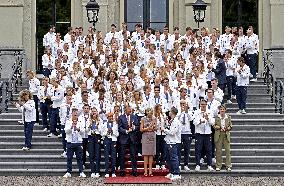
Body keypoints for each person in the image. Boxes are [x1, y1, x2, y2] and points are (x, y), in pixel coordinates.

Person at [63, 108, 86, 178]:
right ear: (72, 114)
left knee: (79, 158)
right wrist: (71, 127)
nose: (76, 116)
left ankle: (81, 172)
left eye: (77, 114)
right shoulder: (68, 121)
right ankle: (68, 172)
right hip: (70, 142)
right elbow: (66, 131)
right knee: (69, 158)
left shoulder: (80, 122)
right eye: (74, 114)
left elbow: (83, 131)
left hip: (78, 142)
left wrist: (78, 129)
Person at [193, 99, 215, 172]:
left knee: (209, 150)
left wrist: (207, 118)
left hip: (207, 133)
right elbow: (194, 122)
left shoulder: (210, 112)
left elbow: (212, 123)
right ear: (199, 105)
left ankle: (209, 165)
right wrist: (200, 120)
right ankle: (198, 164)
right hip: (199, 133)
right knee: (198, 149)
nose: (203, 106)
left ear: (206, 105)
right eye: (201, 104)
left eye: (204, 104)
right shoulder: (196, 112)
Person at [118, 104, 139, 177]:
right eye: (128, 109)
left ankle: (134, 170)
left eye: (130, 109)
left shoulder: (134, 116)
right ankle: (122, 170)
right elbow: (119, 128)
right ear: (125, 110)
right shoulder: (121, 117)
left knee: (133, 155)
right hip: (124, 138)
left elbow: (137, 126)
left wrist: (133, 128)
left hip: (132, 138)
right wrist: (126, 131)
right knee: (122, 155)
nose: (130, 110)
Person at [162, 107, 182, 181]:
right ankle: (171, 172)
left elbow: (173, 132)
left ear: (172, 112)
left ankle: (177, 173)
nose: (169, 112)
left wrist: (164, 130)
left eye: (170, 111)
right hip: (168, 141)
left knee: (174, 158)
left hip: (174, 142)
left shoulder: (176, 121)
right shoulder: (171, 121)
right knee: (168, 158)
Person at [213, 105, 232, 171]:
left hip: (226, 134)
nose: (222, 110)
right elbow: (214, 126)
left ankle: (228, 165)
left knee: (228, 151)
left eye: (223, 109)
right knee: (218, 151)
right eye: (221, 109)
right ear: (219, 110)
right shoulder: (216, 117)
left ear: (225, 110)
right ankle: (218, 165)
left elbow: (231, 126)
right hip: (219, 134)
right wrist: (220, 128)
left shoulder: (228, 117)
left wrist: (227, 128)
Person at [87, 107, 103, 178]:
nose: (94, 113)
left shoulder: (100, 120)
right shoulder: (88, 120)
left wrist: (97, 126)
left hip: (97, 137)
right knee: (91, 154)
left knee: (97, 154)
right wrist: (89, 125)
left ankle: (97, 171)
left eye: (95, 111)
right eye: (92, 112)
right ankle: (92, 171)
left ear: (97, 112)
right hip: (90, 137)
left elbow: (102, 131)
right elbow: (85, 131)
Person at [140, 108, 157, 177]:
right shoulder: (143, 119)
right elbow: (141, 129)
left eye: (151, 113)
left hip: (152, 136)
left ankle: (150, 171)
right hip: (145, 136)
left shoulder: (154, 119)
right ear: (147, 113)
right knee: (145, 154)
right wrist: (147, 128)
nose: (151, 114)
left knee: (151, 154)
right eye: (149, 113)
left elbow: (156, 128)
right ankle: (145, 171)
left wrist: (154, 127)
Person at [102, 112, 119, 178]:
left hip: (113, 140)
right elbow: (102, 134)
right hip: (106, 140)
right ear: (107, 118)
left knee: (113, 156)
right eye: (109, 117)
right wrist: (106, 132)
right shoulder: (104, 124)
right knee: (106, 156)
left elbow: (117, 134)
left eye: (112, 117)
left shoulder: (115, 125)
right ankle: (107, 172)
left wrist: (112, 131)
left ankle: (113, 172)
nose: (111, 118)